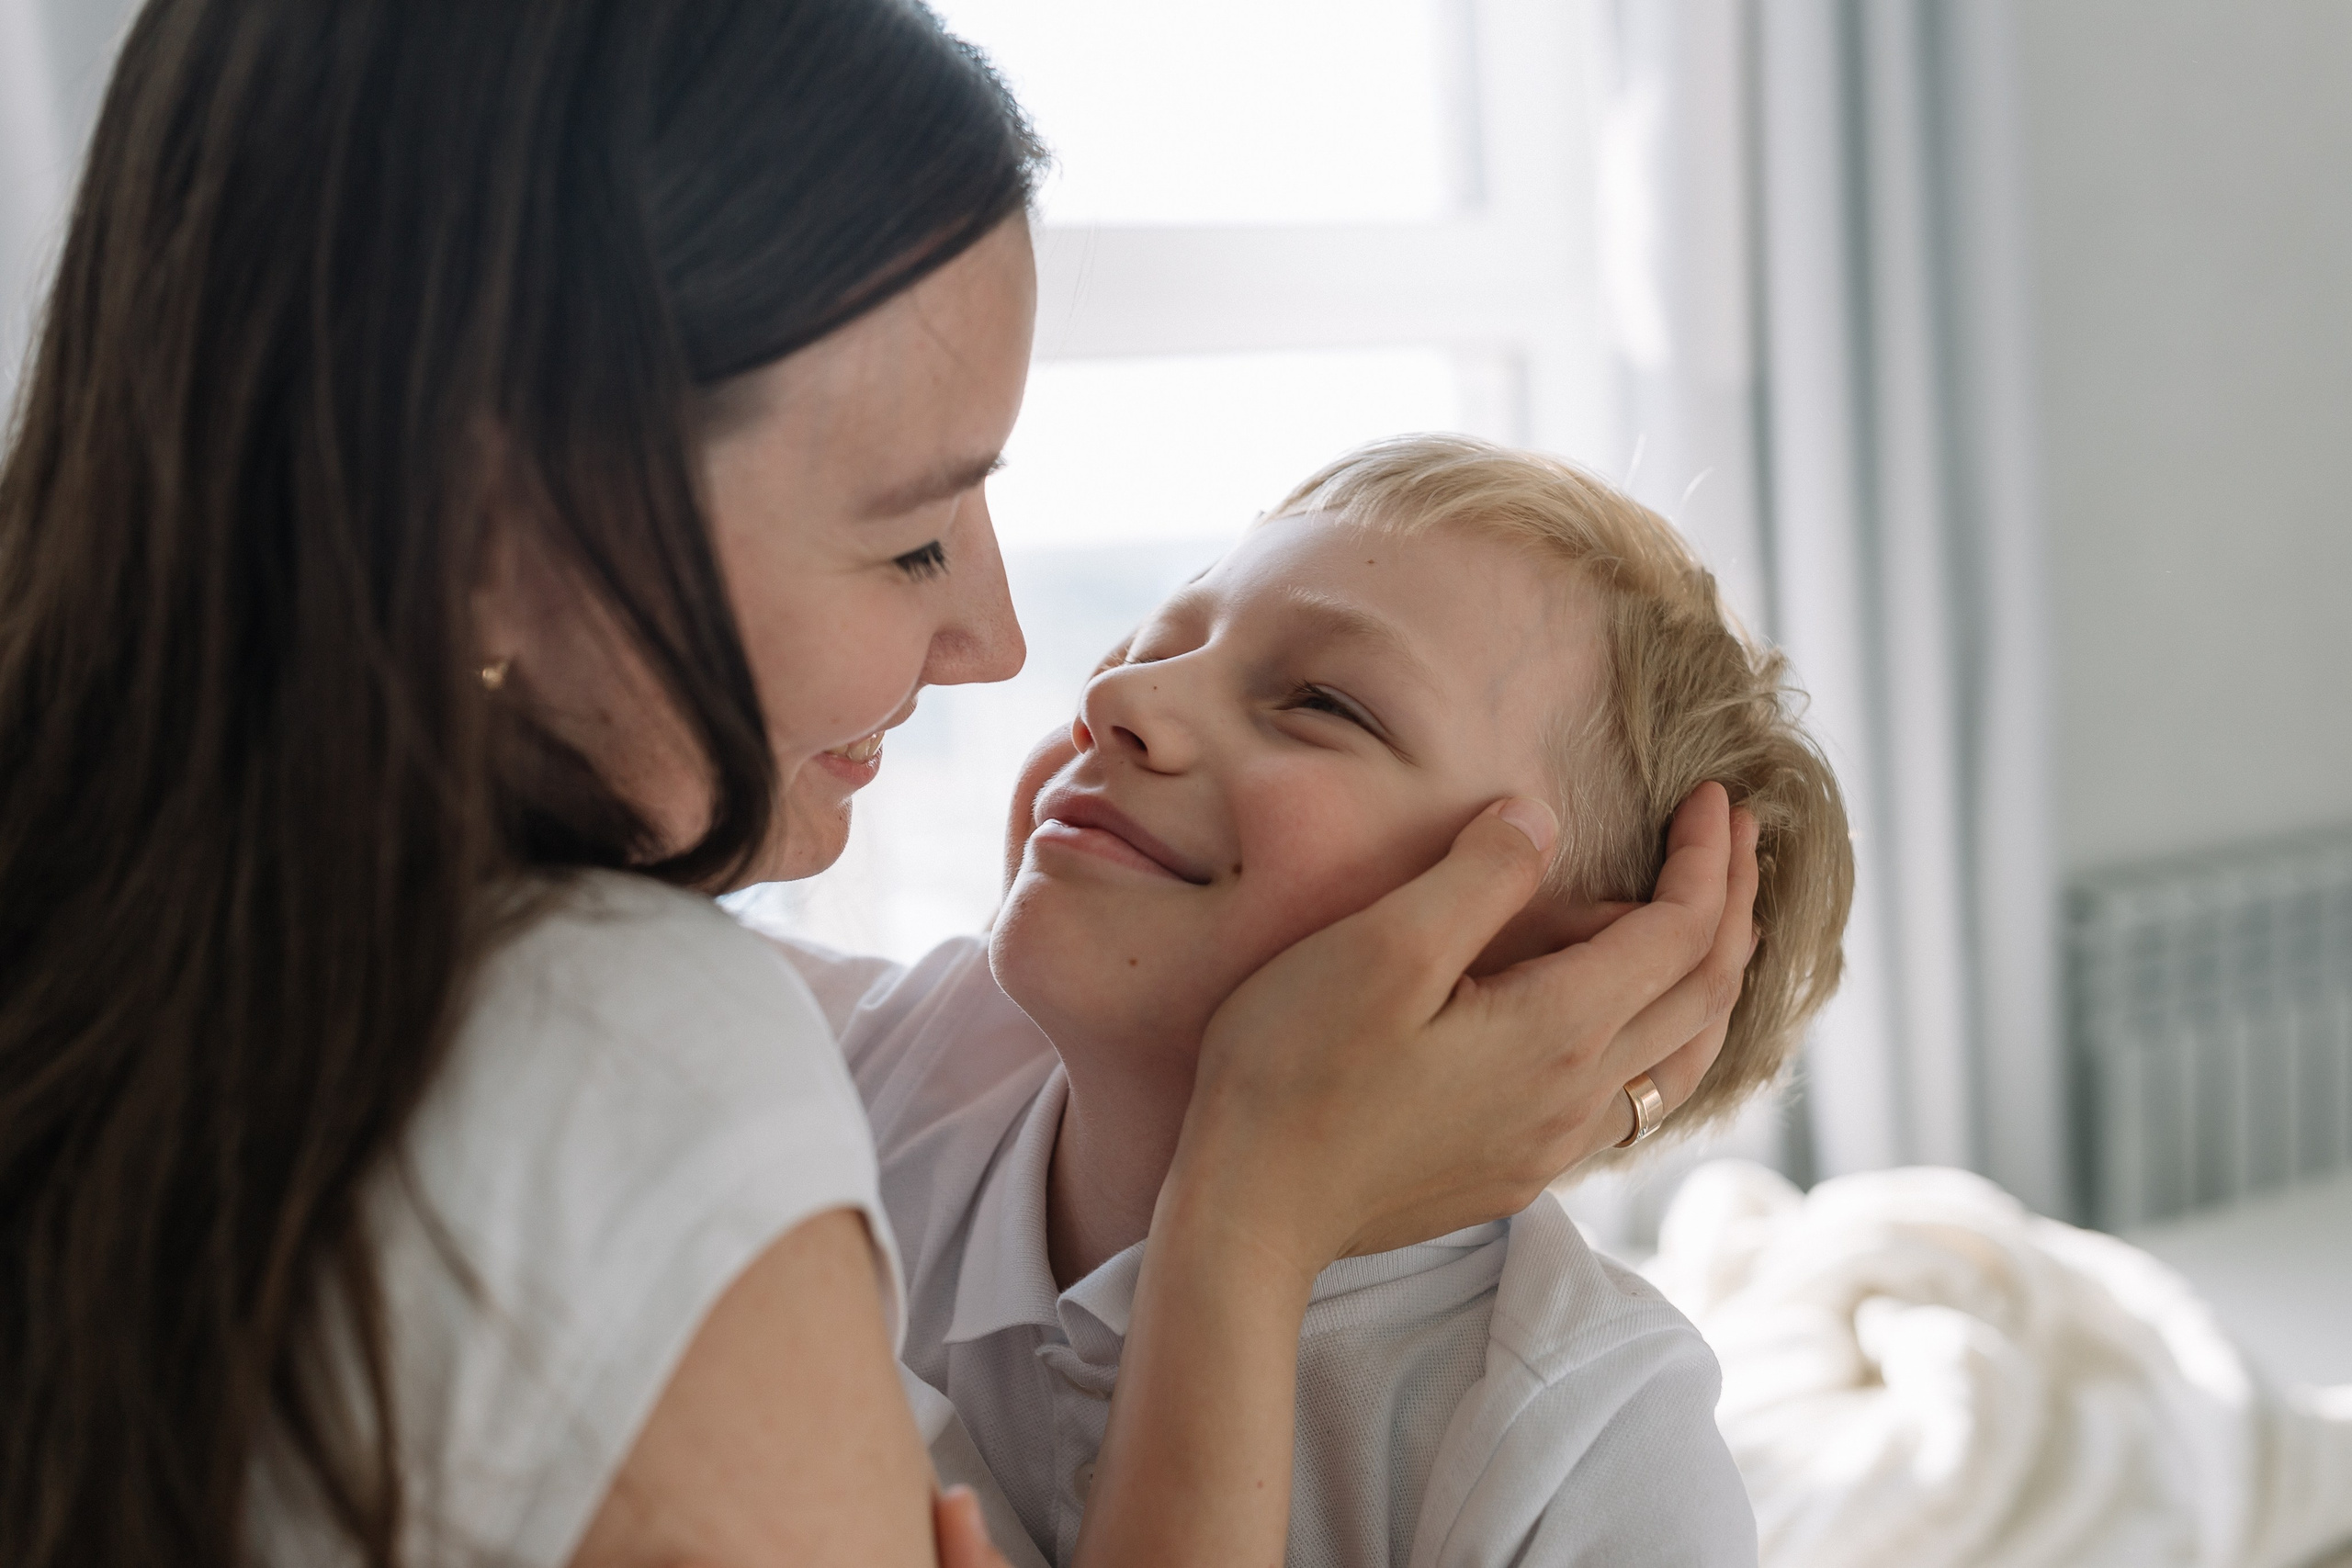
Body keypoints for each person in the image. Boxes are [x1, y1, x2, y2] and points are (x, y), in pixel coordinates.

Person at [0, 6, 1760, 1568]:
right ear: (485, 518)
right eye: (909, 533)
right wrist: (1248, 1215)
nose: (1058, 668)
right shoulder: (714, 1056)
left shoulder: (1569, 1421)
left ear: (1568, 968)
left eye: (1318, 701)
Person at [772, 434, 1852, 1566]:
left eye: (1321, 703)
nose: (1116, 692)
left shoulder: (1582, 1441)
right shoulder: (830, 1063)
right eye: (1151, 646)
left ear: (1572, 990)